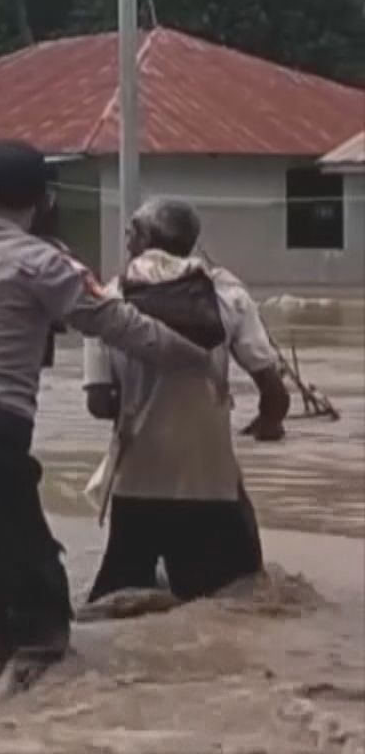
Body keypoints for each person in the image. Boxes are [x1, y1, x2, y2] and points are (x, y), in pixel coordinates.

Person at [0, 140, 214, 699]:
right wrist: (202, 361)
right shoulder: (43, 264)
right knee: (37, 614)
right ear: (45, 198)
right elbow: (121, 325)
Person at [82, 198, 290, 604]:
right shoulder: (227, 295)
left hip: (137, 483)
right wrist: (269, 423)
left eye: (130, 234)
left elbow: (99, 405)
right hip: (209, 482)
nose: (126, 243)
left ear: (143, 239)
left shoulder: (107, 299)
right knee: (239, 601)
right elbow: (273, 391)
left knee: (118, 604)